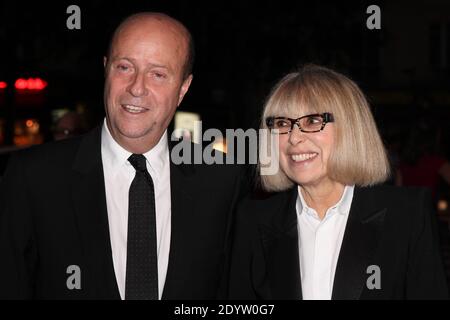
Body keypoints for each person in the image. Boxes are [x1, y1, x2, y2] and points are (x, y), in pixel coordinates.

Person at [0, 12, 247, 299]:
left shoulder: (222, 182)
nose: (137, 87)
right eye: (125, 67)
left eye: (158, 74)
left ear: (183, 88)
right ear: (106, 69)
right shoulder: (33, 178)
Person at [225, 64, 448, 299]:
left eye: (312, 121)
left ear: (350, 128)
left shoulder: (406, 215)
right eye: (281, 123)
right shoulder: (252, 220)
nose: (294, 137)